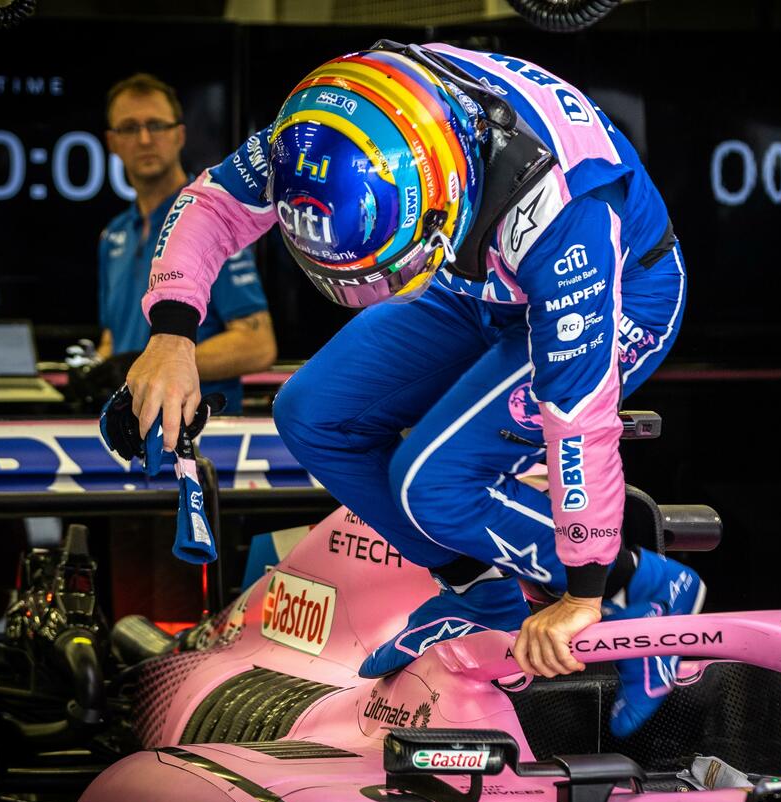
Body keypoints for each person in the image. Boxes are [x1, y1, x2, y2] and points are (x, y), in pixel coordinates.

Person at [120, 42, 703, 736]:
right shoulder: (328, 126)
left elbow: (576, 415)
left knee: (430, 483)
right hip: (471, 272)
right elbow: (213, 203)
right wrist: (173, 331)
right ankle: (482, 593)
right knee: (310, 413)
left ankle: (648, 585)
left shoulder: (566, 212)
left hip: (618, 289)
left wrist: (584, 587)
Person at [100, 73, 276, 414]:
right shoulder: (112, 236)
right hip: (133, 427)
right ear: (112, 142)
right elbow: (112, 336)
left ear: (180, 135)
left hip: (204, 431)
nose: (145, 138)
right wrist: (102, 369)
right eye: (129, 128)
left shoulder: (210, 222)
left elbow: (257, 345)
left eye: (156, 125)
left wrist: (153, 361)